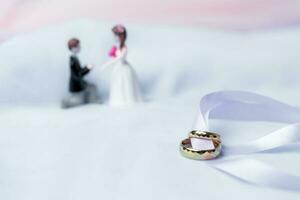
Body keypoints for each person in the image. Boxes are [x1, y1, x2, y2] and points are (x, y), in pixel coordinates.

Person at [101, 25, 142, 107]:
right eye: (114, 35)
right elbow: (114, 57)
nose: (114, 37)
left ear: (121, 36)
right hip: (117, 68)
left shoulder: (124, 48)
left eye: (116, 35)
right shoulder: (117, 47)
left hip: (124, 68)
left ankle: (127, 101)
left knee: (125, 85)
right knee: (118, 85)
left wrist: (106, 65)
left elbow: (119, 59)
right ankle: (118, 101)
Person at [62, 38, 99, 108]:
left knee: (92, 87)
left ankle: (93, 100)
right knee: (78, 102)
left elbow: (79, 72)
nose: (80, 48)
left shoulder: (75, 58)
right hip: (76, 85)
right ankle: (65, 103)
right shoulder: (72, 60)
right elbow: (78, 74)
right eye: (78, 46)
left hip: (78, 83)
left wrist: (86, 68)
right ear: (73, 48)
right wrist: (87, 68)